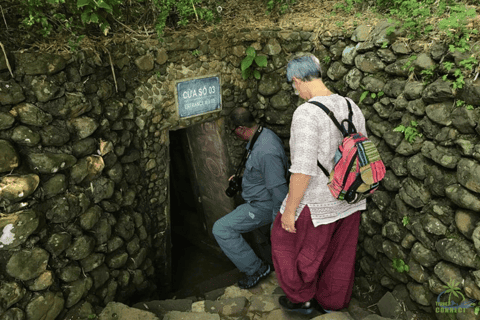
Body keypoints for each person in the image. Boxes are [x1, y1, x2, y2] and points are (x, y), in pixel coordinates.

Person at [271, 54, 368, 315]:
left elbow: (302, 170)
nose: (297, 92)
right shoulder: (351, 106)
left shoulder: (306, 113)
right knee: (339, 256)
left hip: (318, 204)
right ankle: (332, 304)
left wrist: (289, 212)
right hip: (351, 199)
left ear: (297, 80)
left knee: (284, 242)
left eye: (294, 87)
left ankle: (302, 299)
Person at [212, 107, 289, 289]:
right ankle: (268, 262)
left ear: (240, 129)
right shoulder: (262, 136)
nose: (235, 136)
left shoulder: (267, 151)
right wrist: (242, 179)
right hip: (258, 199)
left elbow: (279, 191)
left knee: (221, 229)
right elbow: (262, 171)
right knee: (258, 237)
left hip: (263, 205)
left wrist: (277, 224)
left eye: (234, 132)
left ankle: (256, 269)